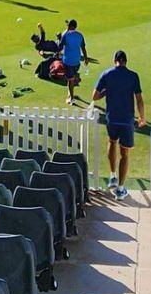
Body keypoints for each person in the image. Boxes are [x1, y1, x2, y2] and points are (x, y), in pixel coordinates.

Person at [92, 49, 146, 194]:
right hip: (127, 119)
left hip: (112, 117)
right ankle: (121, 189)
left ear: (114, 60)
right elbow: (139, 99)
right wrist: (142, 117)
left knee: (111, 141)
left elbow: (95, 96)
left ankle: (112, 176)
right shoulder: (133, 76)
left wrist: (107, 91)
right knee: (125, 153)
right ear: (125, 61)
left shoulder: (106, 74)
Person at [58, 18, 87, 104]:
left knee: (70, 80)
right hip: (77, 61)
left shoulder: (66, 35)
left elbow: (60, 46)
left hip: (68, 62)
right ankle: (70, 92)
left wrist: (65, 31)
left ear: (69, 26)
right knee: (71, 78)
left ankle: (71, 98)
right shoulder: (80, 35)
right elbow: (83, 47)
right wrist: (85, 58)